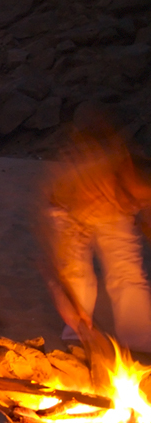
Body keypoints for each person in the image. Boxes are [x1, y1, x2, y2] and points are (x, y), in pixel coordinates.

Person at [39, 102, 151, 353]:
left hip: (112, 205)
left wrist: (137, 211)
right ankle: (78, 337)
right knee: (76, 274)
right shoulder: (84, 181)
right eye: (133, 201)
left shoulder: (139, 181)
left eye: (140, 202)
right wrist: (72, 305)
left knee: (128, 272)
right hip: (68, 209)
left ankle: (139, 340)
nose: (137, 206)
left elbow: (146, 219)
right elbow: (62, 255)